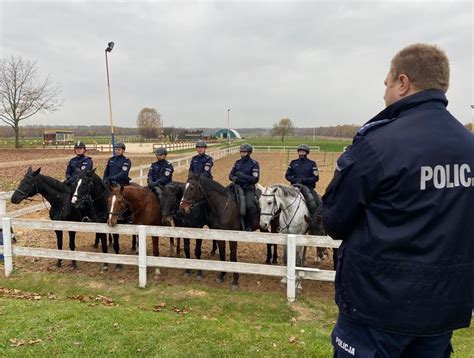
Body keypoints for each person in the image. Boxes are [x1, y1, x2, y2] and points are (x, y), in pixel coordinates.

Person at [322, 43, 474, 357]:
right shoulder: (468, 145)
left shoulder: (378, 144)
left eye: (387, 84)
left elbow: (334, 221)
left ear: (403, 83)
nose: (384, 93)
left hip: (376, 310)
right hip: (443, 309)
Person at [229, 143, 260, 231]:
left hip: (248, 188)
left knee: (249, 205)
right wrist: (235, 178)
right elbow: (230, 176)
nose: (242, 153)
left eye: (244, 152)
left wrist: (242, 177)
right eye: (241, 151)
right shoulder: (237, 162)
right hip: (236, 186)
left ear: (249, 153)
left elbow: (255, 179)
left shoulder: (254, 164)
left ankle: (248, 225)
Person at [285, 144, 320, 217]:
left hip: (308, 187)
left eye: (303, 152)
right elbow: (287, 175)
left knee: (318, 202)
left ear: (307, 153)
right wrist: (295, 180)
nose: (301, 153)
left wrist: (304, 180)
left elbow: (316, 178)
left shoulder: (312, 163)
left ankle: (315, 220)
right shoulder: (293, 162)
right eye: (300, 152)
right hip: (294, 187)